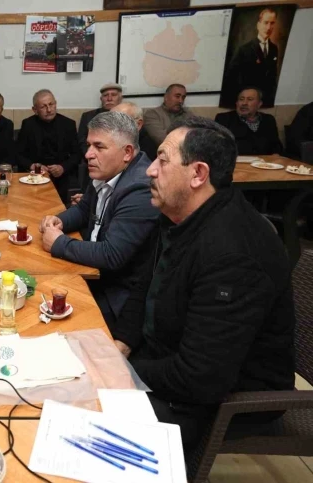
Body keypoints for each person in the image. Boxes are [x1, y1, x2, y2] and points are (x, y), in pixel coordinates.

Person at [124, 117, 295, 452]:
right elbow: (145, 287)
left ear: (198, 174)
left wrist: (126, 370)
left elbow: (200, 378)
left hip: (223, 400)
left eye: (162, 160)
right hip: (167, 364)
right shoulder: (178, 214)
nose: (150, 171)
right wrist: (120, 346)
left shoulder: (233, 253)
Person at [38, 111, 158, 345]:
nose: (88, 154)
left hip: (116, 298)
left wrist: (59, 243)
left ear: (127, 153)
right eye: (89, 145)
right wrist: (59, 220)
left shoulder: (140, 189)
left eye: (99, 147)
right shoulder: (109, 170)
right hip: (93, 274)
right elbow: (84, 209)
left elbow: (112, 254)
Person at [16, 89, 82, 200]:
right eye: (43, 107)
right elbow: (18, 154)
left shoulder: (68, 124)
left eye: (51, 104)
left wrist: (62, 167)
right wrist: (32, 166)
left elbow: (77, 154)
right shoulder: (28, 124)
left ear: (55, 104)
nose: (49, 109)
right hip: (34, 176)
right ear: (35, 110)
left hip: (60, 176)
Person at [221, 8, 279, 108]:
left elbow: (272, 78)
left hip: (265, 103)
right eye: (266, 23)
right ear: (258, 25)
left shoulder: (274, 49)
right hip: (247, 103)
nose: (269, 27)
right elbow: (231, 78)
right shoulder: (244, 49)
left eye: (272, 23)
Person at [214, 87, 283, 155]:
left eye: (250, 99)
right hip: (236, 160)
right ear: (237, 103)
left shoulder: (268, 120)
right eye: (241, 99)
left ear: (259, 104)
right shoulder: (224, 119)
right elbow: (217, 146)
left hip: (264, 161)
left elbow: (276, 146)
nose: (244, 103)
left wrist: (275, 156)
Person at [77, 83, 123, 155]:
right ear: (101, 99)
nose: (109, 99)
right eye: (105, 95)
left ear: (120, 99)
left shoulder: (129, 115)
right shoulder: (88, 116)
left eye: (113, 95)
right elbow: (82, 141)